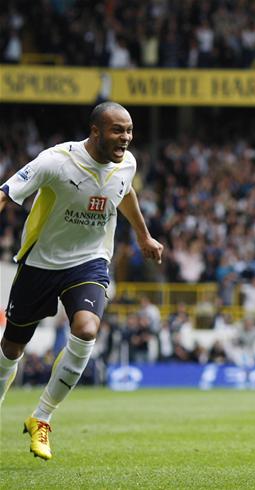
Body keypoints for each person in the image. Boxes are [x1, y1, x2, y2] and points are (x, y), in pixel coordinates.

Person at [0, 101, 163, 460]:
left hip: (89, 262)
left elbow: (126, 191)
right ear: (95, 132)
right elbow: (6, 192)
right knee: (11, 348)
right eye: (118, 130)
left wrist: (143, 236)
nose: (126, 138)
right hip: (40, 262)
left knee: (87, 329)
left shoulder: (127, 164)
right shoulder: (55, 161)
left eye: (130, 130)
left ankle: (41, 418)